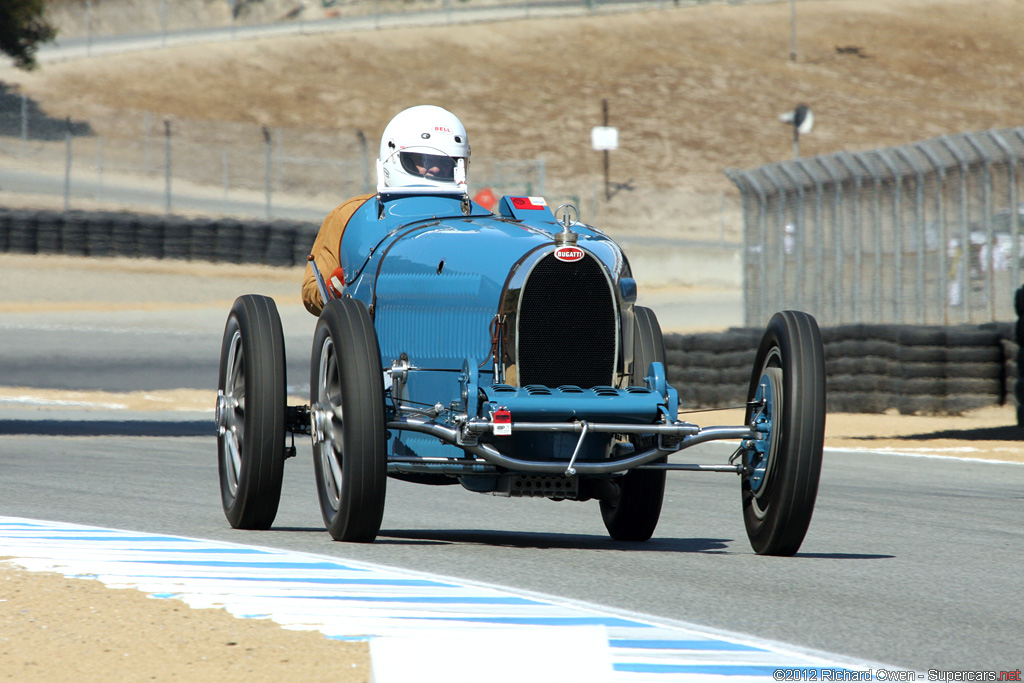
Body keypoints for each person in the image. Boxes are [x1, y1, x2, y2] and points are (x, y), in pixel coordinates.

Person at [301, 105, 471, 315]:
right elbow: (311, 292)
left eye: (445, 163)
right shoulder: (352, 215)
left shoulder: (472, 216)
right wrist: (339, 284)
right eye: (420, 161)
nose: (433, 169)